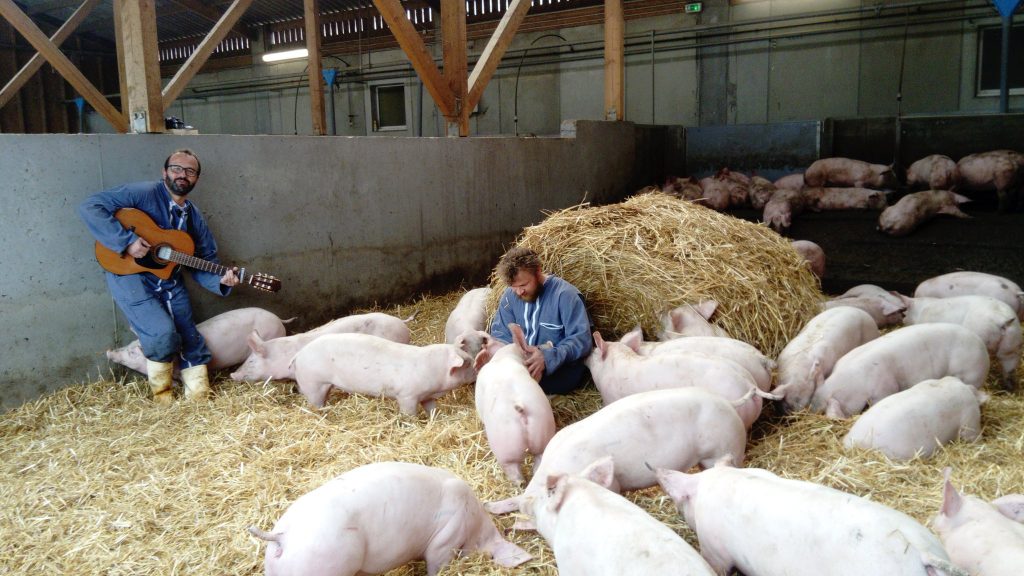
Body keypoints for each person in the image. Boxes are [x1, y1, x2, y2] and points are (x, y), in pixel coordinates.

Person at [78, 149, 238, 404]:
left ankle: (199, 399)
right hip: (130, 277)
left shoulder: (193, 216)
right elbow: (90, 206)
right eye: (176, 168)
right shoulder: (142, 193)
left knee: (190, 337)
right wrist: (126, 241)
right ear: (164, 172)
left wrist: (220, 280)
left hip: (169, 279)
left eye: (190, 171)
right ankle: (162, 399)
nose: (182, 175)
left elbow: (205, 261)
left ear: (197, 178)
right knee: (161, 333)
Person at [489, 246, 593, 394]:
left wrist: (547, 357)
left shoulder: (566, 296)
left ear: (538, 271)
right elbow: (501, 334)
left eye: (524, 284)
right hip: (522, 366)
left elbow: (582, 340)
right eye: (513, 287)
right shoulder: (509, 297)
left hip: (559, 371)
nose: (519, 291)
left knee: (521, 391)